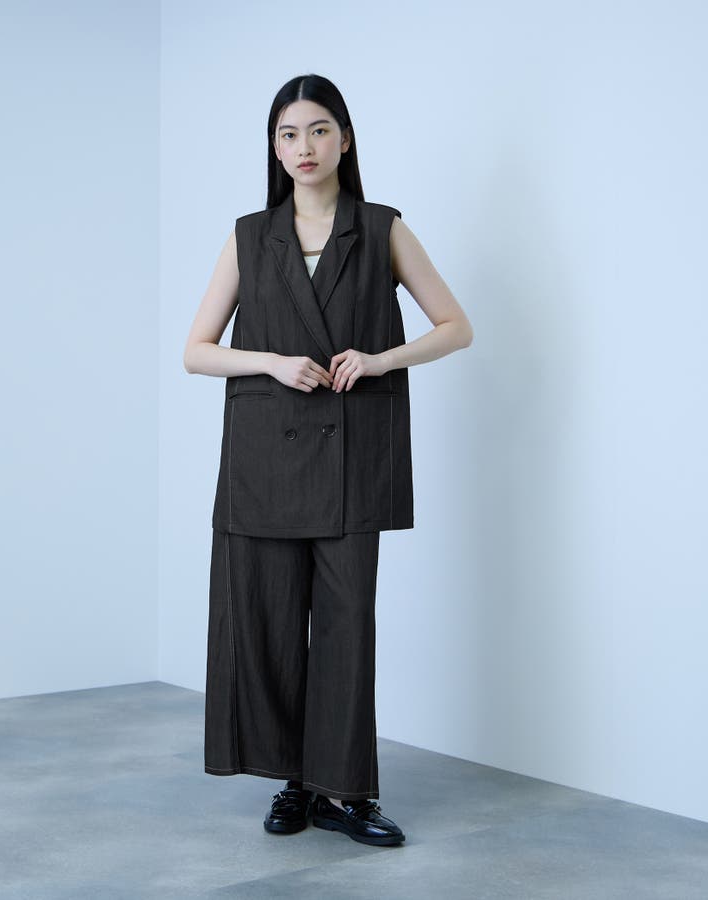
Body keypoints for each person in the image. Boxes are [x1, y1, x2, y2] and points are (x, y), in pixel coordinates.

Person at [183, 73, 472, 847]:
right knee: (269, 624)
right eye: (288, 134)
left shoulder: (381, 229)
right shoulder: (250, 236)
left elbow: (456, 327)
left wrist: (379, 359)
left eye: (318, 130)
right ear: (274, 150)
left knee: (346, 628)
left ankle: (347, 793)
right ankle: (296, 783)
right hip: (264, 461)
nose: (303, 147)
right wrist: (272, 361)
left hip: (352, 458)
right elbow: (196, 351)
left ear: (345, 139)